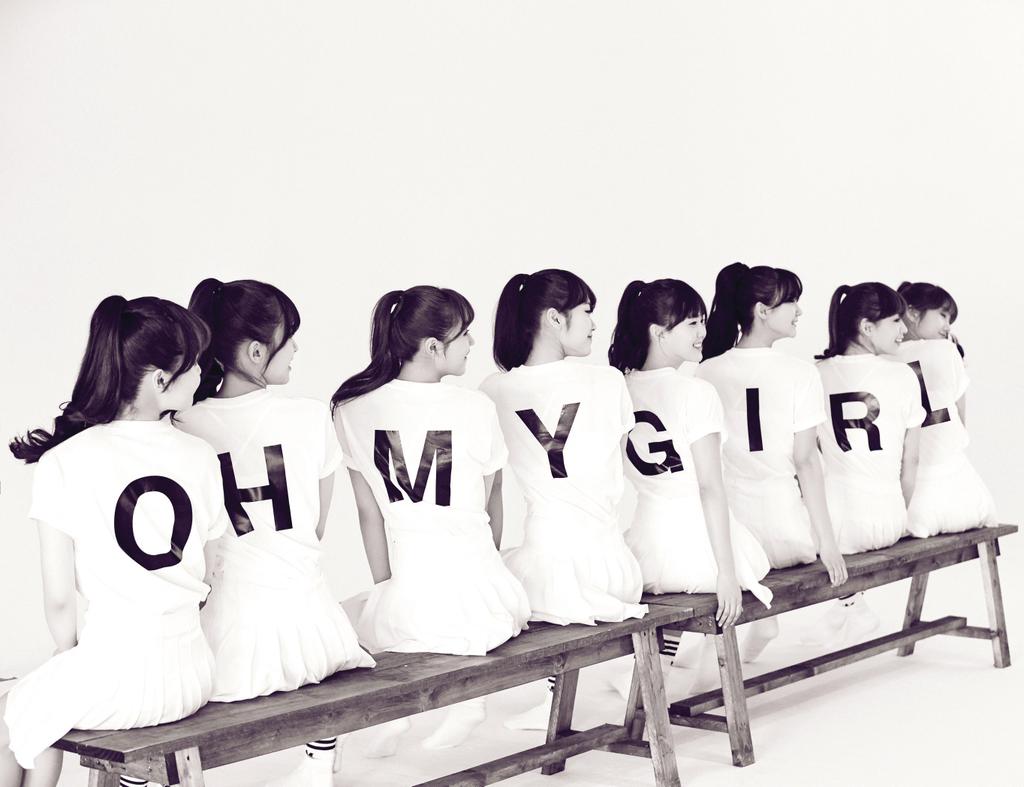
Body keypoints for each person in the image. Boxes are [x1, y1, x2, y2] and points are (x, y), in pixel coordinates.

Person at [2, 296, 225, 787]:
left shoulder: (64, 461)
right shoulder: (201, 456)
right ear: (161, 381)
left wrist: (68, 658)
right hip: (191, 676)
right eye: (194, 365)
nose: (201, 374)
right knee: (39, 706)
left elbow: (59, 600)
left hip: (118, 680)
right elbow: (210, 575)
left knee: (13, 714)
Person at [178, 278, 374, 787]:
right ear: (255, 351)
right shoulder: (308, 415)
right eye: (289, 339)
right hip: (316, 634)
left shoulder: (183, 422)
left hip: (228, 647)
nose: (296, 349)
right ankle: (319, 757)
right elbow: (316, 527)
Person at [332, 286, 530, 755]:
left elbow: (368, 514)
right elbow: (492, 499)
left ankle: (405, 713)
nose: (472, 344)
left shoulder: (352, 410)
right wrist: (489, 570)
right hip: (480, 586)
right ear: (433, 347)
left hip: (409, 583)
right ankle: (462, 703)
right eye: (465, 335)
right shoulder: (475, 407)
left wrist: (386, 588)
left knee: (363, 620)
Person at [481, 269, 647, 731]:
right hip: (613, 567)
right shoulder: (607, 381)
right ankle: (598, 680)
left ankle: (544, 700)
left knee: (512, 579)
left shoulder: (493, 391)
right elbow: (616, 466)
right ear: (555, 318)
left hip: (544, 568)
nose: (594, 323)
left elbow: (491, 491)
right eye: (587, 312)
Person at [698, 262, 847, 660]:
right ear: (762, 311)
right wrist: (827, 543)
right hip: (789, 537)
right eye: (792, 302)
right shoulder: (800, 373)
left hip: (732, 541)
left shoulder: (707, 371)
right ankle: (757, 633)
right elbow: (807, 462)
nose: (799, 310)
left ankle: (735, 643)